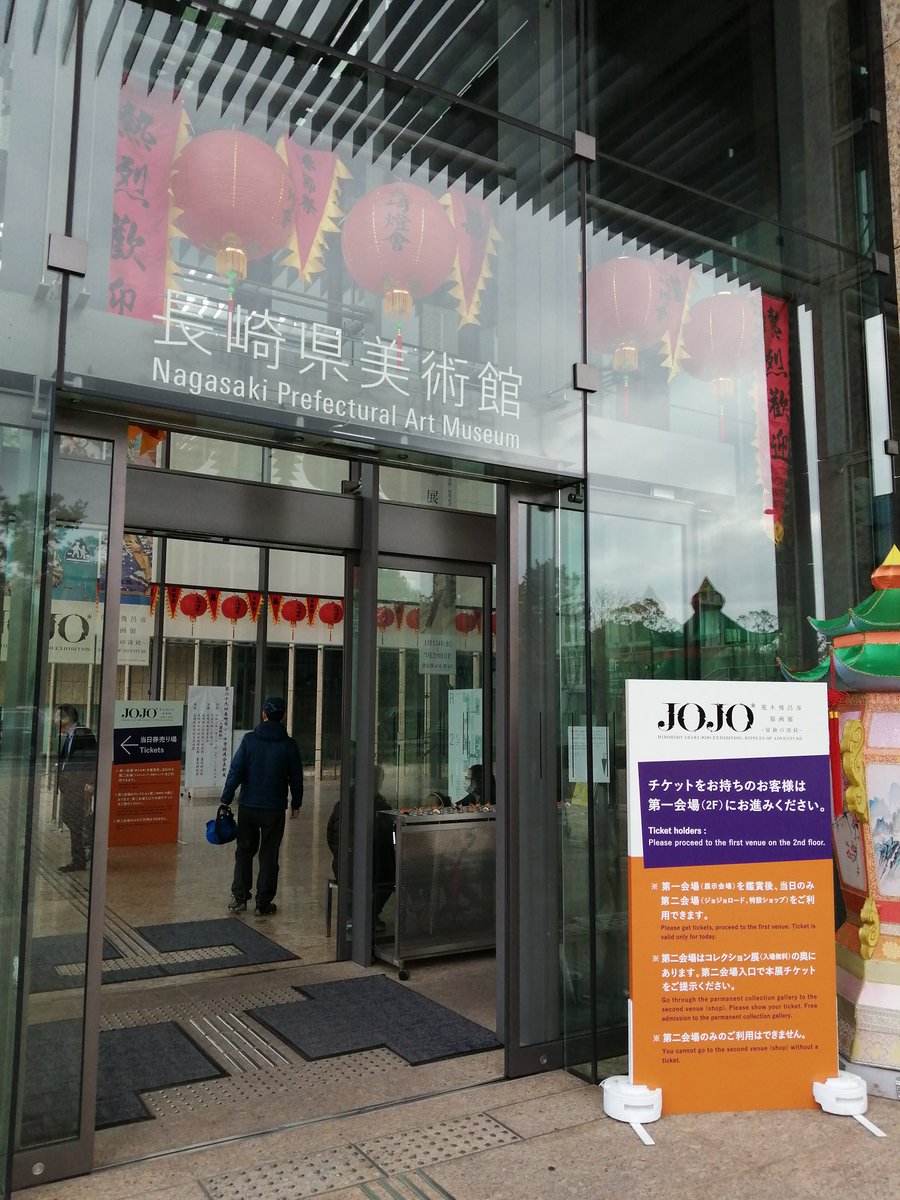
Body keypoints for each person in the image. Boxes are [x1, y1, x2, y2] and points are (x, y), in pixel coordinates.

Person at [222, 696, 303, 916]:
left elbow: (236, 771)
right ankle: (263, 903)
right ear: (283, 716)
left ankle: (239, 898)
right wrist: (296, 802)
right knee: (269, 855)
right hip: (274, 809)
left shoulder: (249, 740)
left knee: (244, 851)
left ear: (263, 714)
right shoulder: (289, 745)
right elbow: (296, 778)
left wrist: (225, 799)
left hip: (248, 806)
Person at [326, 765, 396, 928]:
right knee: (388, 877)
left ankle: (362, 914)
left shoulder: (346, 801)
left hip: (349, 862)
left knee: (385, 873)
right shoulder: (367, 804)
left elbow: (331, 836)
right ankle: (365, 914)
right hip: (358, 864)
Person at [55, 704, 97, 872]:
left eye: (57, 717)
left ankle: (82, 856)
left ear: (66, 718)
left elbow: (93, 759)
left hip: (80, 786)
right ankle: (83, 852)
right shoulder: (71, 735)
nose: (55, 721)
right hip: (70, 786)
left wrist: (91, 782)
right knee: (70, 818)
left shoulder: (83, 734)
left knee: (77, 820)